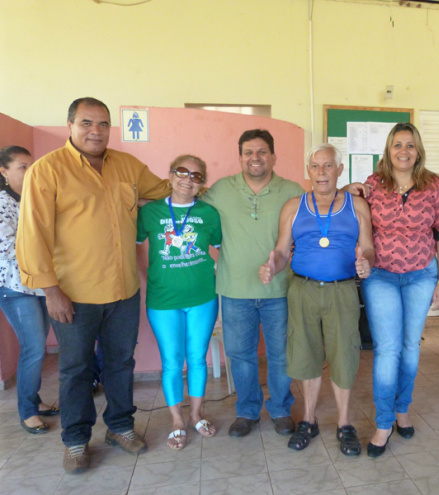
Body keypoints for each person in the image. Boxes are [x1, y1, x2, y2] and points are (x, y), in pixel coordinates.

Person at [16, 97, 171, 474]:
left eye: (103, 124)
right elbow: (32, 234)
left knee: (121, 363)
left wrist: (197, 184)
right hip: (73, 295)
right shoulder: (47, 171)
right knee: (75, 370)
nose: (96, 131)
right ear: (69, 125)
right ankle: (75, 440)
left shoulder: (127, 165)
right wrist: (50, 290)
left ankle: (120, 427)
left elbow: (165, 189)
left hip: (123, 290)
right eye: (87, 123)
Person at [347, 123, 439, 457]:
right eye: (397, 145)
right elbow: (352, 215)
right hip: (381, 276)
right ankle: (383, 423)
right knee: (387, 348)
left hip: (422, 275)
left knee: (410, 347)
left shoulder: (433, 184)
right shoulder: (374, 184)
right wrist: (348, 189)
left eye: (410, 145)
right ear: (388, 151)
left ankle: (402, 410)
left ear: (418, 150)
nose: (403, 151)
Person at [259, 143, 375, 456]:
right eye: (315, 166)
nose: (321, 172)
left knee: (344, 356)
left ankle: (344, 424)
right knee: (306, 355)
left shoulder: (357, 206)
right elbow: (283, 250)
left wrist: (367, 261)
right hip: (303, 290)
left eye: (328, 166)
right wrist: (273, 265)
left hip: (341, 290)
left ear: (339, 170)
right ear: (308, 171)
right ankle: (308, 421)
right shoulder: (293, 206)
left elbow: (369, 247)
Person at [201, 129, 304, 438]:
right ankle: (247, 411)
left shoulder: (292, 190)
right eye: (248, 152)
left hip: (280, 290)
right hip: (235, 290)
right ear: (240, 157)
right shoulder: (220, 189)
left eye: (262, 152)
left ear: (273, 156)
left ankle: (281, 409)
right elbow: (188, 206)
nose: (255, 157)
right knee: (240, 355)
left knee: (280, 354)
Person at [137, 155, 222, 450]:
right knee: (172, 362)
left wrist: (217, 279)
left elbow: (224, 250)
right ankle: (176, 420)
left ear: (203, 184)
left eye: (197, 176)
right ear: (171, 175)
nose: (188, 179)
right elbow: (134, 248)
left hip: (203, 298)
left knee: (197, 359)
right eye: (182, 172)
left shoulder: (210, 213)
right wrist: (146, 278)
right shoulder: (150, 212)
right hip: (163, 300)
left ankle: (197, 413)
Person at [0, 146, 59, 435]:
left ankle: (34, 401)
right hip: (15, 286)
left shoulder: (33, 200)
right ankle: (27, 412)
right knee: (34, 348)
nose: (30, 171)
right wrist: (44, 252)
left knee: (37, 347)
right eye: (22, 167)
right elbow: (7, 247)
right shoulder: (2, 202)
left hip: (40, 286)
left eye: (31, 166)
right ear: (4, 172)